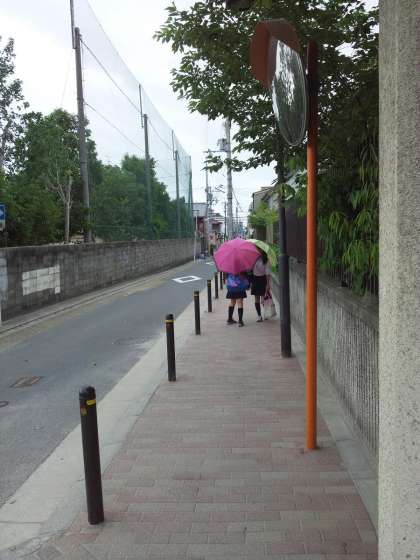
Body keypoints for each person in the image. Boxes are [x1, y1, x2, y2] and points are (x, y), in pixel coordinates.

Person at [250, 250, 269, 322]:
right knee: (260, 299)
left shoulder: (262, 260)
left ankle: (262, 315)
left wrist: (268, 284)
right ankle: (261, 315)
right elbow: (267, 273)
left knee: (260, 299)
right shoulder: (263, 260)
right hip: (259, 280)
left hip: (259, 279)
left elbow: (267, 273)